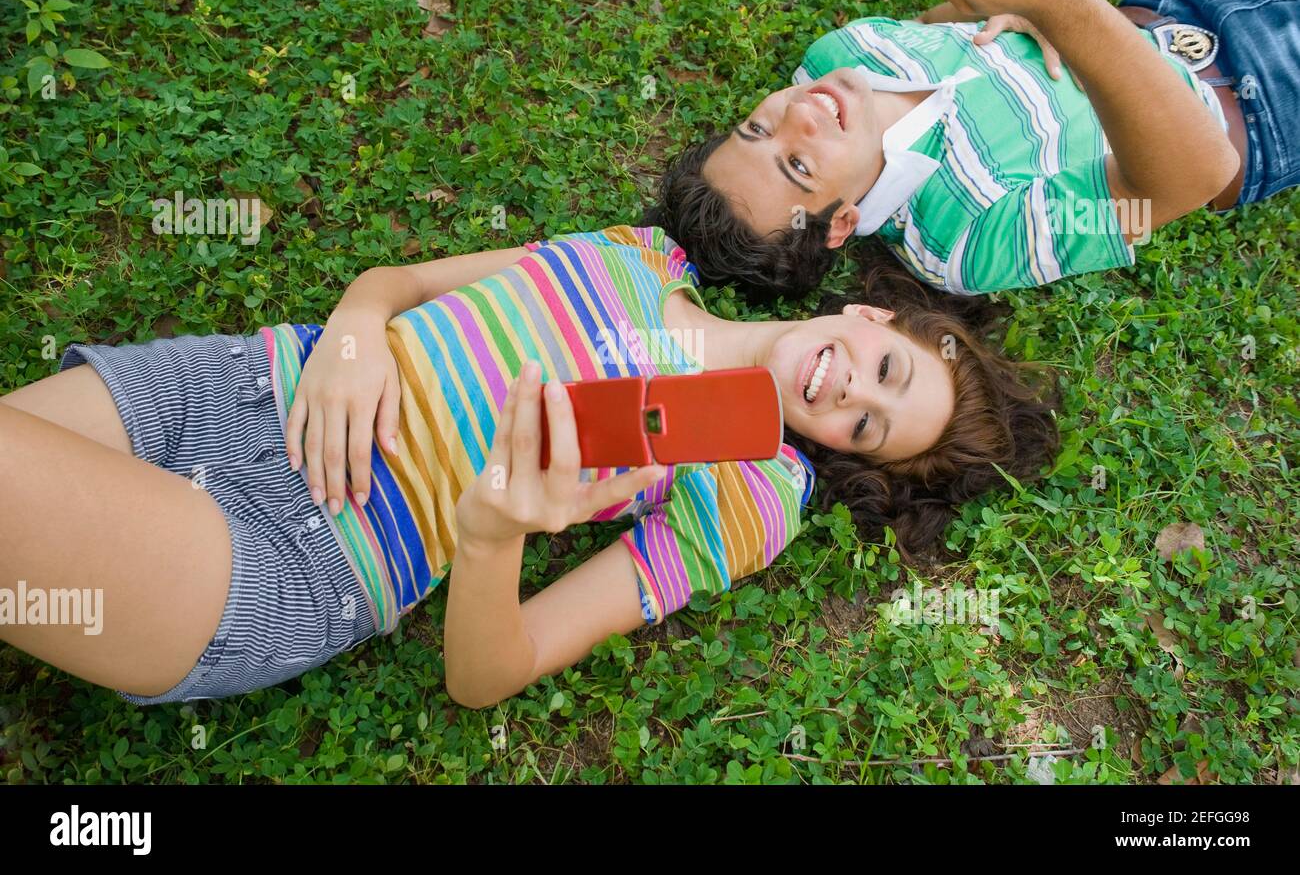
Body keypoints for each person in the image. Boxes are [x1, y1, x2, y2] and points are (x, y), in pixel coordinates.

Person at [0, 225, 1057, 709]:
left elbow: (486, 679)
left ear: (840, 455)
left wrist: (493, 532)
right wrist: (359, 319)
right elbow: (399, 279)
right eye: (883, 367)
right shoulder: (640, 254)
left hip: (299, 556)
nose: (846, 391)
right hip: (241, 383)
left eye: (868, 426)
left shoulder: (748, 497)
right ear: (870, 314)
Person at [647, 0, 1297, 298]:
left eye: (756, 127)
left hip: (1174, 1)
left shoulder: (838, 54)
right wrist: (1063, 9)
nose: (800, 117)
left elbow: (946, 28)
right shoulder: (963, 242)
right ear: (841, 222)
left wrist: (1002, 9)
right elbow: (1192, 176)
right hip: (1258, 111)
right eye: (798, 165)